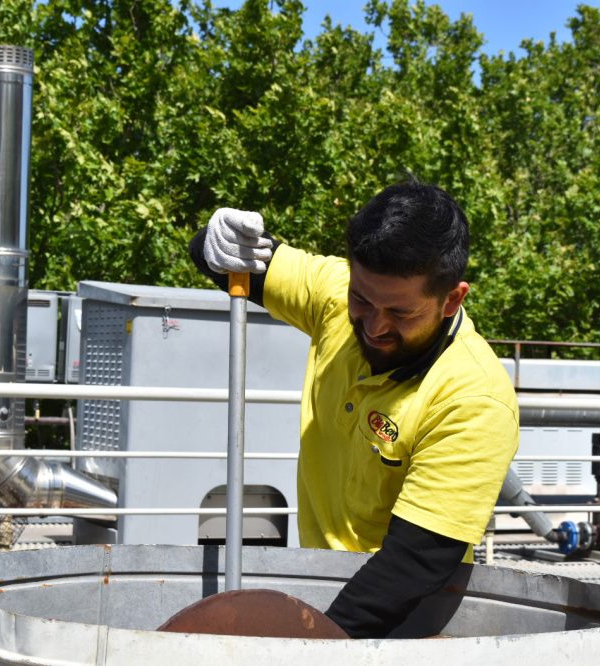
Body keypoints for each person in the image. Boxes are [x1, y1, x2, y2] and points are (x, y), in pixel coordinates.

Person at [188, 178, 519, 638]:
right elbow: (234, 263)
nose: (375, 326)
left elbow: (416, 563)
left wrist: (314, 649)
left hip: (402, 627)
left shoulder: (472, 398)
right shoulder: (334, 295)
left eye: (401, 314)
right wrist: (214, 241)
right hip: (316, 593)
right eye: (362, 300)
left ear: (452, 299)